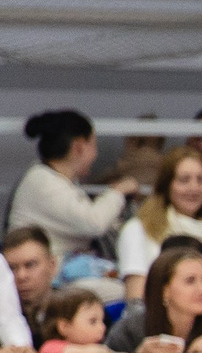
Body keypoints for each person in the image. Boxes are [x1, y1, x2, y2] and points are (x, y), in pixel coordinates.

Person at [117, 146, 202, 308]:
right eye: (184, 180)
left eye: (201, 180)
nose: (194, 188)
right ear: (166, 185)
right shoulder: (137, 230)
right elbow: (135, 303)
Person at [11, 110, 136, 272]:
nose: (95, 154)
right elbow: (94, 223)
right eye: (94, 145)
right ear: (79, 146)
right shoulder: (42, 181)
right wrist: (118, 191)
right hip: (42, 275)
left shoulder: (54, 180)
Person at [2, 224, 52, 353]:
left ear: (52, 265)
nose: (21, 276)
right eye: (11, 268)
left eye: (30, 265)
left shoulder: (77, 310)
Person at [36, 286, 110, 353]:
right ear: (64, 327)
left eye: (102, 320)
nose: (102, 328)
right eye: (93, 321)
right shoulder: (50, 347)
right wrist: (106, 351)